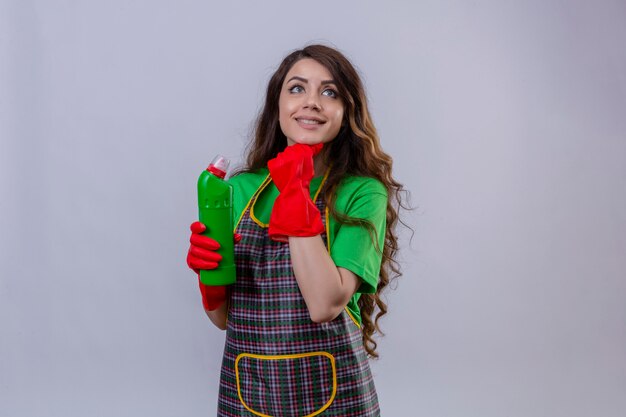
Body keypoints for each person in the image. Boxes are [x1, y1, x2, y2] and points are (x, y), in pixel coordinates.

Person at [187, 44, 406, 417]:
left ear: (345, 111)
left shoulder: (361, 192)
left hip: (337, 397)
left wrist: (294, 191)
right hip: (250, 392)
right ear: (278, 105)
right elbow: (225, 319)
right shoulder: (239, 191)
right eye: (297, 88)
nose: (312, 102)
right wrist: (211, 280)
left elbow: (325, 304)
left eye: (329, 91)